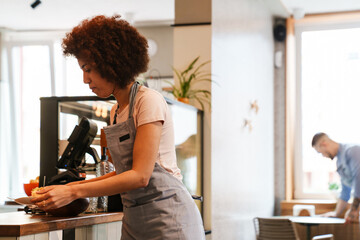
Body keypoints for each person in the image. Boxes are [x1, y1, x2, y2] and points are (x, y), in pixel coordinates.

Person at [31, 15, 205, 239]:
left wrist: (73, 190)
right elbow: (121, 174)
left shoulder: (147, 101)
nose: (85, 79)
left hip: (169, 217)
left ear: (112, 63)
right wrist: (66, 189)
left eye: (89, 69)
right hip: (134, 219)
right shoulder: (115, 112)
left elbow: (140, 176)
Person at [312, 132, 360, 223]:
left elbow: (359, 179)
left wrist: (354, 209)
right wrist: (336, 213)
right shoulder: (340, 162)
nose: (323, 156)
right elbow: (346, 190)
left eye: (319, 152)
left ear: (323, 144)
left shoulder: (352, 151)